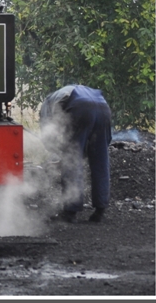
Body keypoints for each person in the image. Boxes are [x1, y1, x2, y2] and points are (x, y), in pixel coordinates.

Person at [39, 84, 113, 223]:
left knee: (71, 162)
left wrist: (60, 153)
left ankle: (70, 212)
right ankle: (100, 211)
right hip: (103, 108)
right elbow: (106, 140)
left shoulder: (47, 102)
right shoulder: (73, 92)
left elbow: (47, 131)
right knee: (100, 161)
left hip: (80, 108)